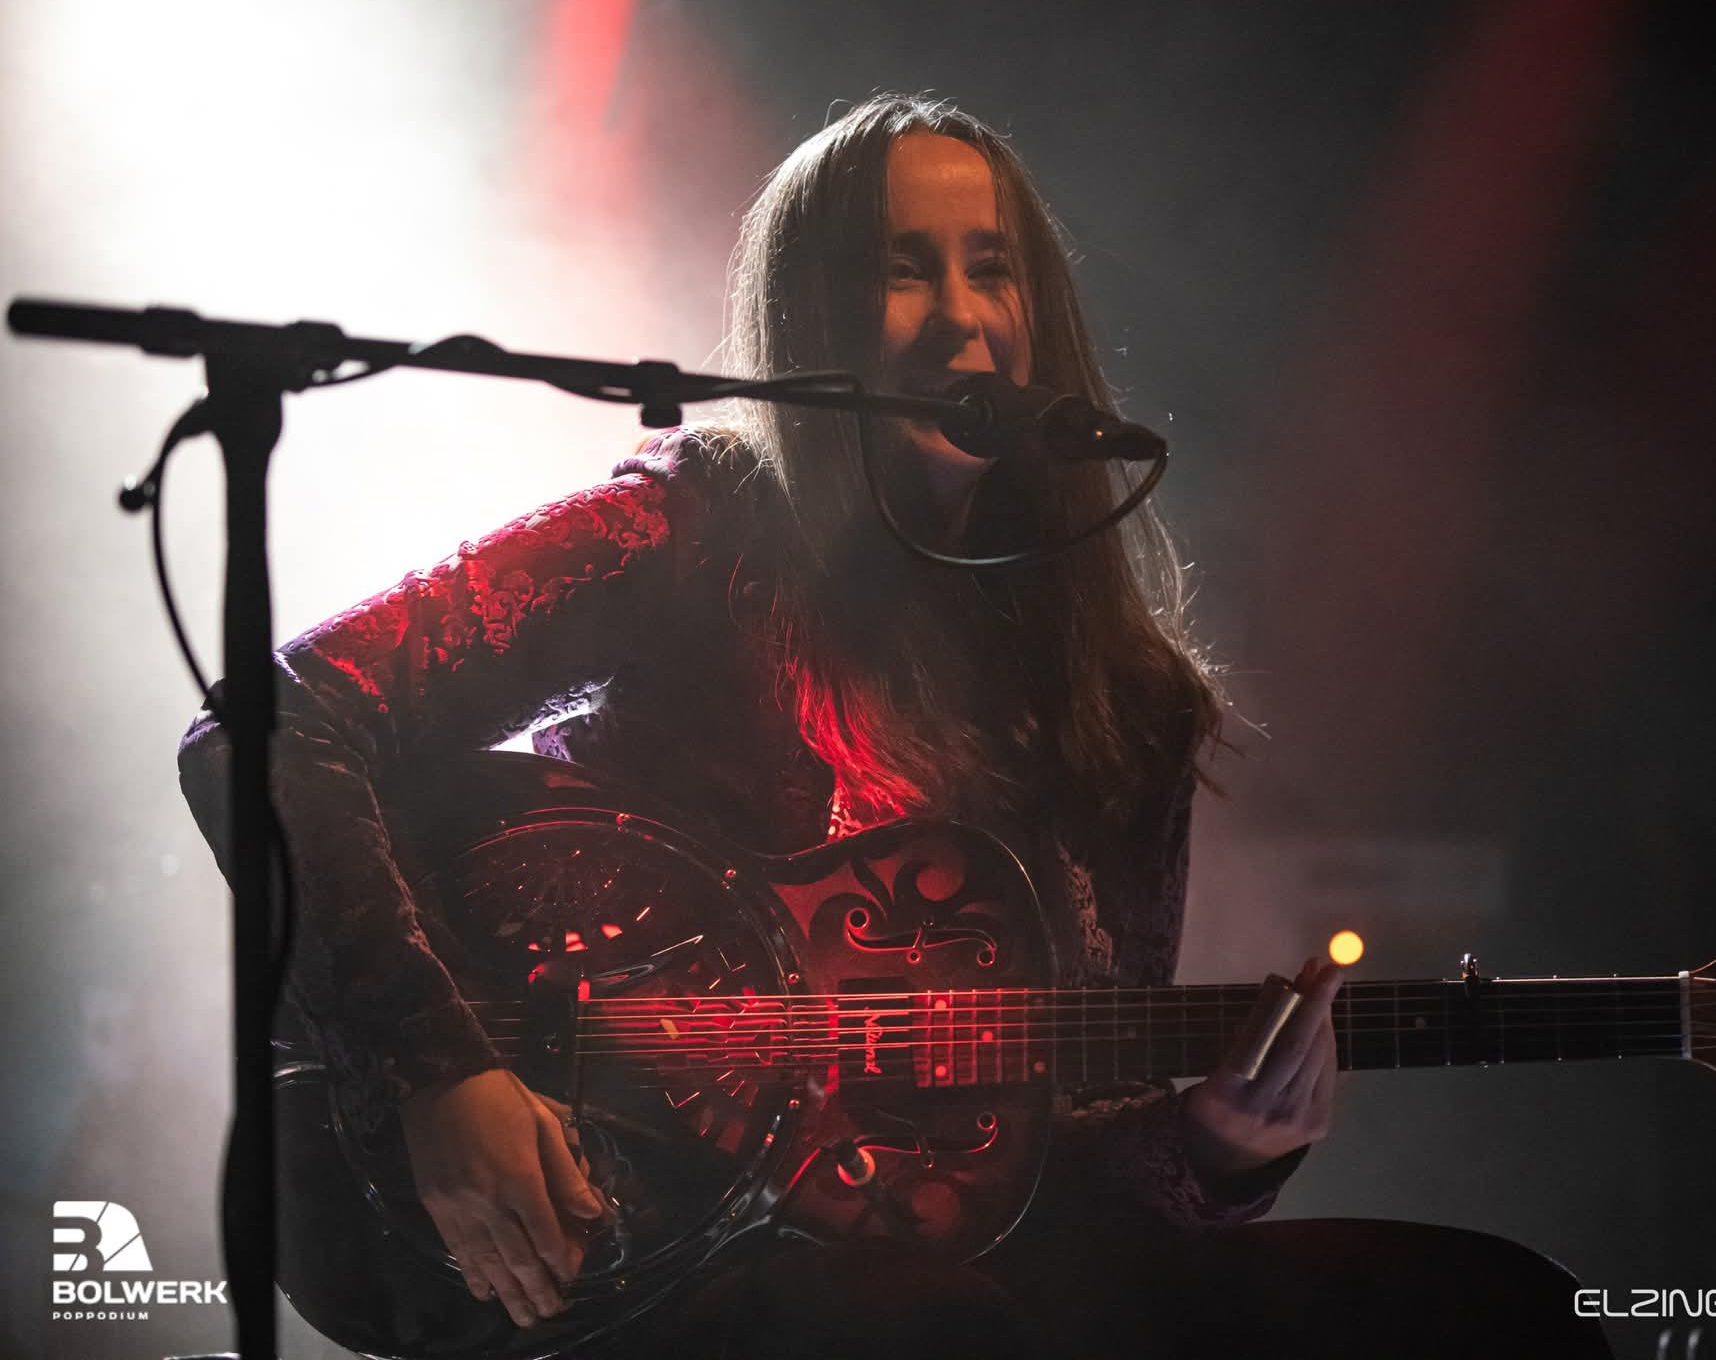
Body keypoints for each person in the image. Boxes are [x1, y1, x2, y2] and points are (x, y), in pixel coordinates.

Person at [177, 93, 1609, 1359]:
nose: (961, 315)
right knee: (930, 1333)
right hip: (658, 1255)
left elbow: (1063, 1165)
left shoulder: (1122, 701)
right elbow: (269, 723)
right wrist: (440, 1070)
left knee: (1497, 1312)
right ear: (811, 321)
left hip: (946, 1278)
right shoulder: (689, 530)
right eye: (902, 269)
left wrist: (1219, 1145)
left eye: (994, 269)